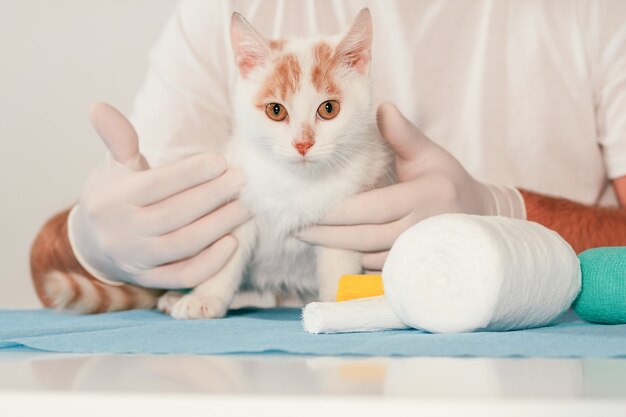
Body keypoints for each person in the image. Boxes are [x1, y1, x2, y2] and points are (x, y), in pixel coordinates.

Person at [30, 0, 626, 307]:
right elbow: (48, 268)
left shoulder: (595, 13)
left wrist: (507, 214)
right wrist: (92, 243)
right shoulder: (234, 15)